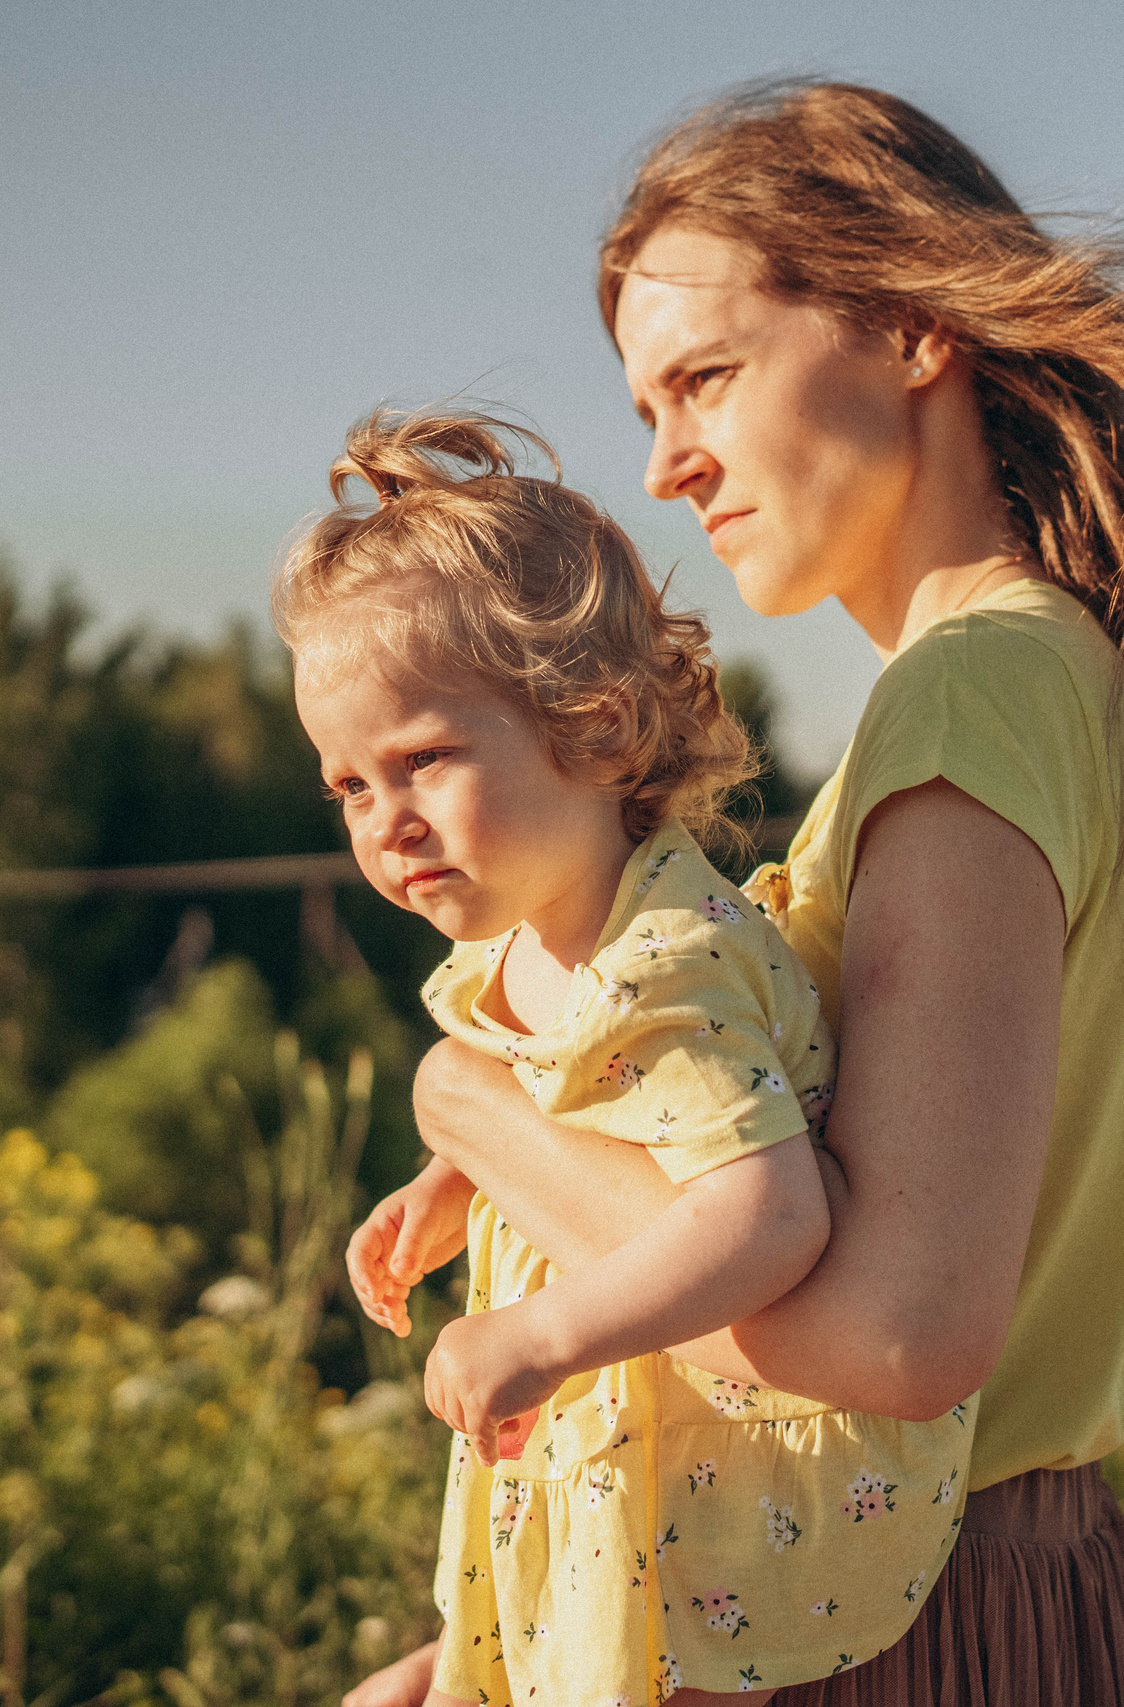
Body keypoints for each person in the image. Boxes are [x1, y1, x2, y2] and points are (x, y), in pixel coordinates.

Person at [347, 81, 1124, 1707]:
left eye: (705, 379)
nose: (666, 465)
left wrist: (476, 1108)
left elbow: (894, 1339)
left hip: (900, 1634)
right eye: (647, 405)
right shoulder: (1040, 681)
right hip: (888, 1594)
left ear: (913, 327)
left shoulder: (976, 694)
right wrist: (497, 1642)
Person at [285, 409, 978, 1707]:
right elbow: (582, 1108)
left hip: (732, 1482)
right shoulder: (530, 945)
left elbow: (770, 1214)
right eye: (351, 787)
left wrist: (543, 1329)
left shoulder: (666, 965)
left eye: (422, 760)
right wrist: (458, 1180)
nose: (388, 823)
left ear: (596, 729)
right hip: (628, 1438)